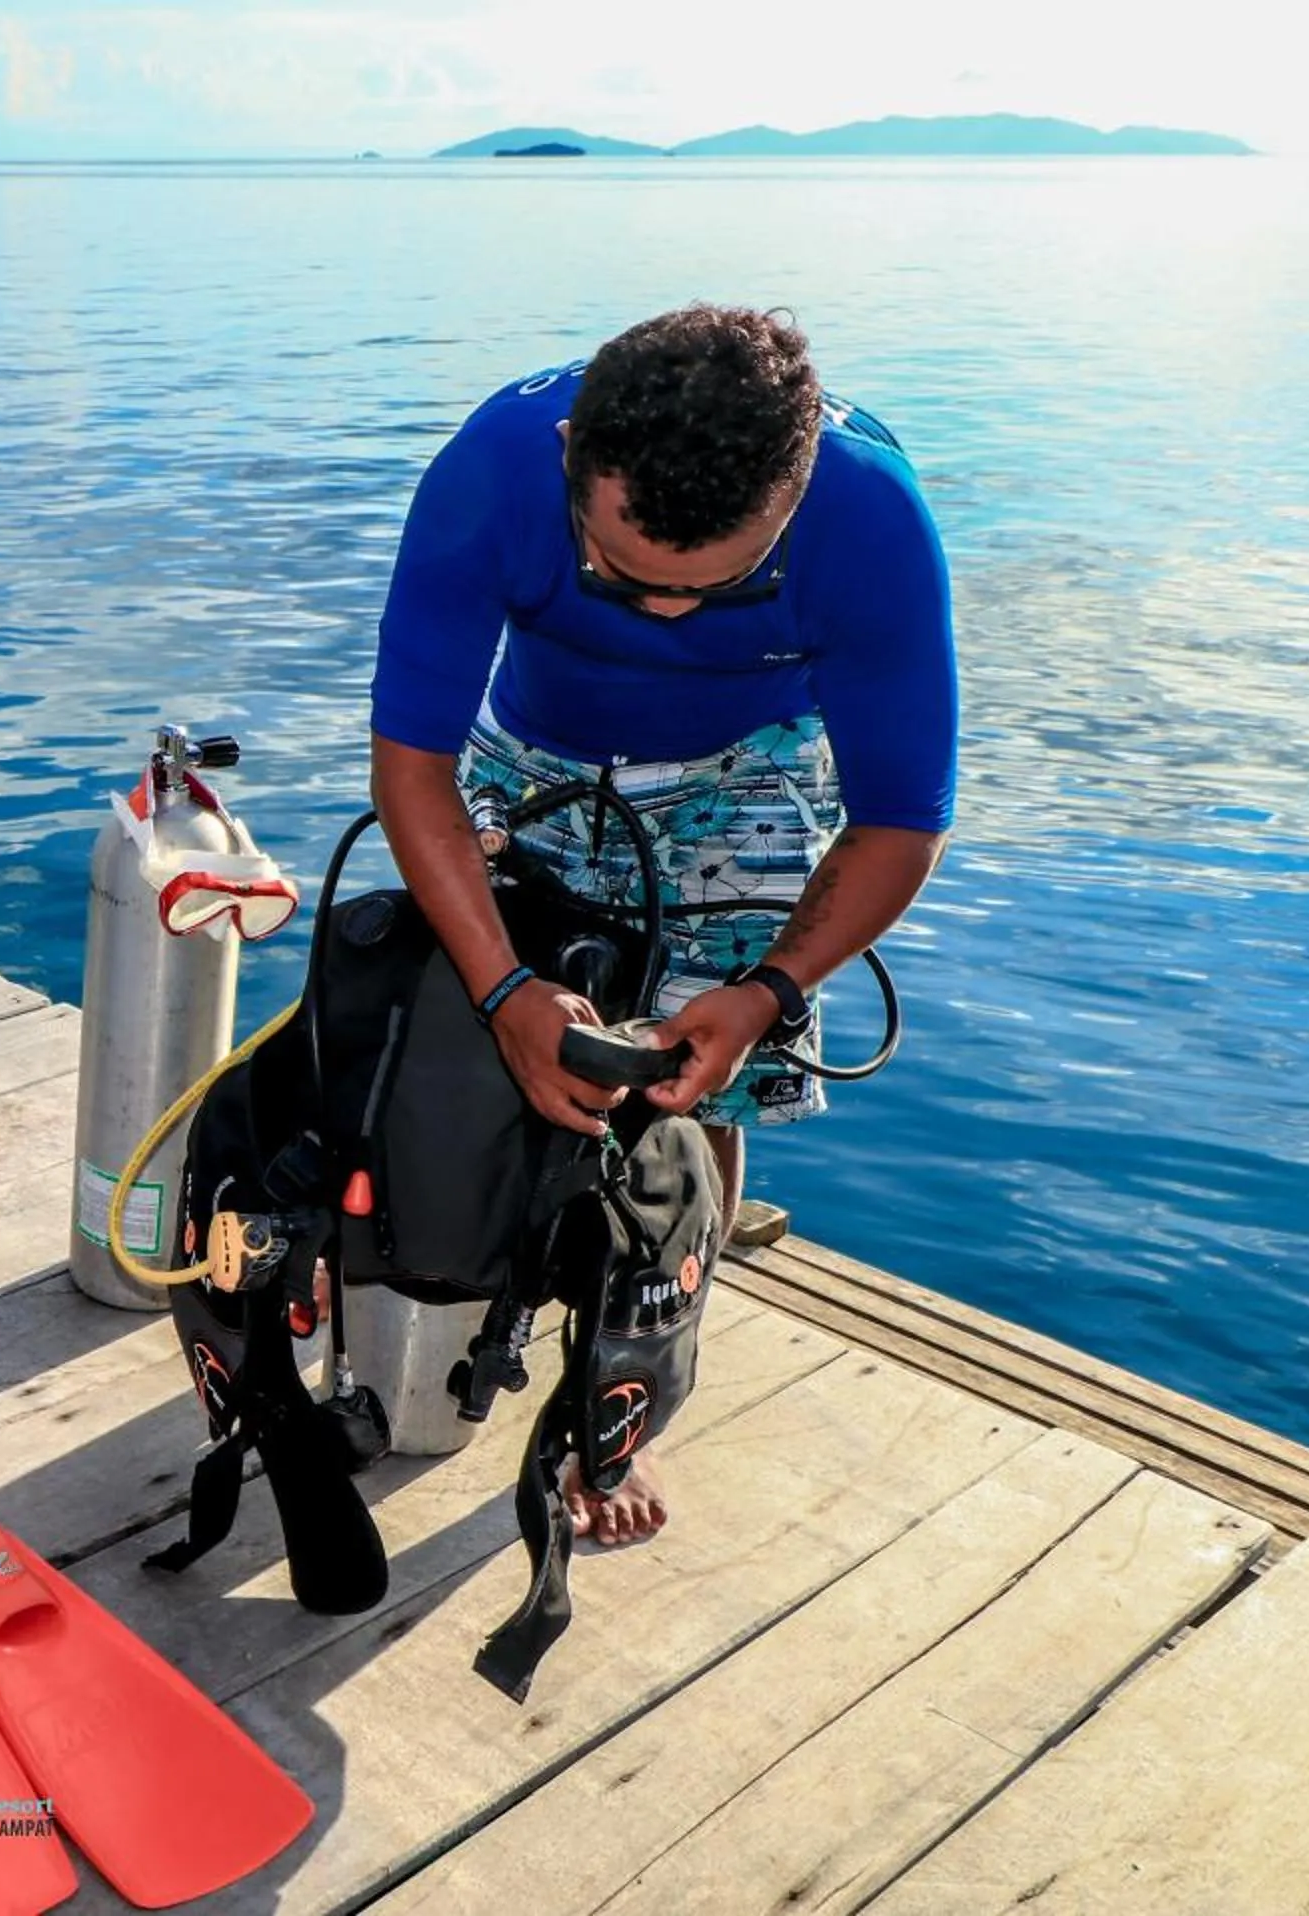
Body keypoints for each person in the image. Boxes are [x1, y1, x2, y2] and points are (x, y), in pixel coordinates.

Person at [369, 304, 956, 1542]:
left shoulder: (873, 516)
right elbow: (412, 764)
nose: (669, 614)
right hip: (532, 749)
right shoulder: (494, 466)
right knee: (464, 1044)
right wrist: (501, 991)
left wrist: (766, 993)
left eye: (726, 583)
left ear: (799, 489)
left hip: (752, 767)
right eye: (619, 575)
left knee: (694, 1094)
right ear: (572, 458)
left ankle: (624, 1398)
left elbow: (902, 819)